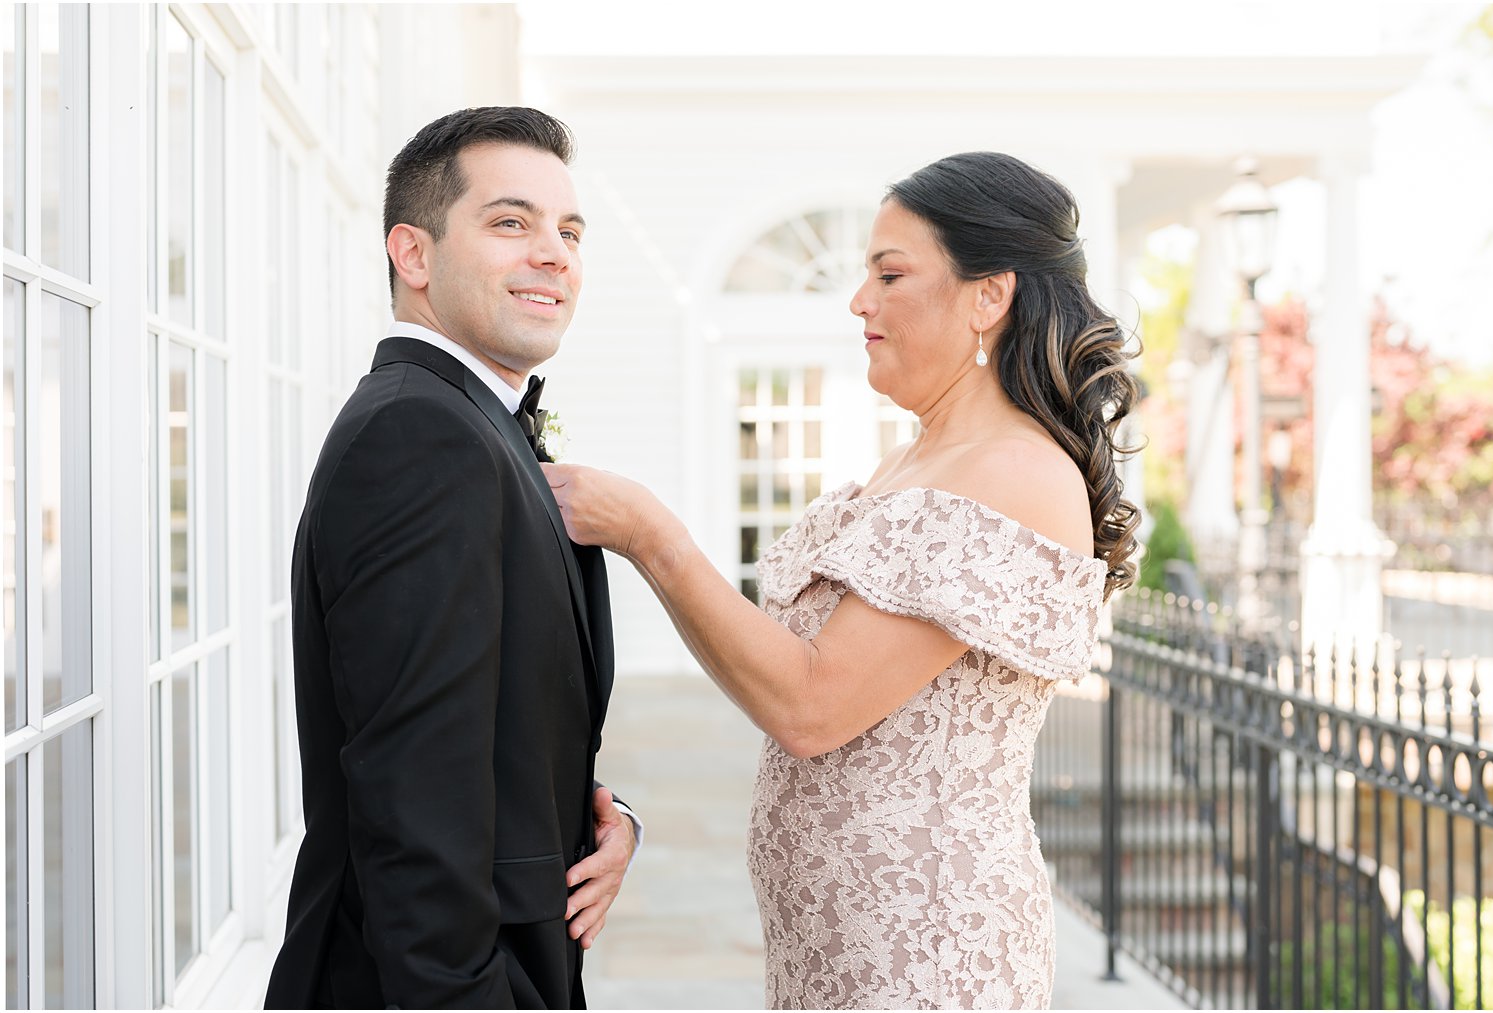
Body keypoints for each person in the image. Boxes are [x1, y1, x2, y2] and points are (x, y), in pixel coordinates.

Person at [546, 151, 1139, 1009]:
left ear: (989, 295)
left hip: (928, 951)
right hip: (837, 952)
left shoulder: (1014, 470)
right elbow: (774, 661)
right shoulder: (913, 457)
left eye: (890, 273)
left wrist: (647, 531)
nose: (859, 299)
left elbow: (810, 705)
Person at [265, 107, 638, 1010]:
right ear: (414, 253)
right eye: (512, 221)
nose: (554, 251)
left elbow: (484, 713)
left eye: (569, 230)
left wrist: (599, 813)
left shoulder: (466, 421)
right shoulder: (417, 433)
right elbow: (413, 800)